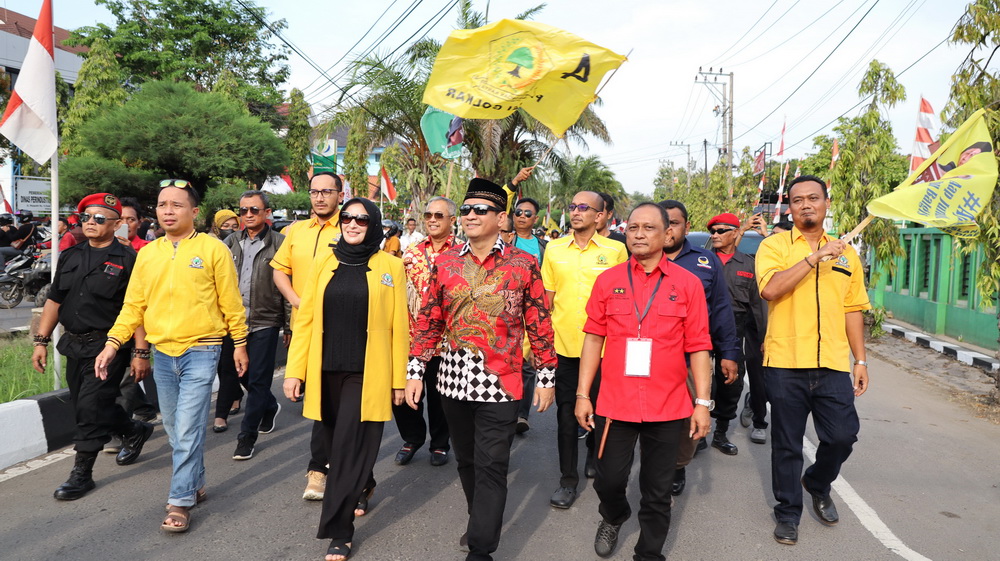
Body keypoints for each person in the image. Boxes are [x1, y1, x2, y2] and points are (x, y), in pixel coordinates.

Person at [405, 178, 556, 561]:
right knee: (468, 461)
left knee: (492, 464)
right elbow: (429, 319)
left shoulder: (523, 264)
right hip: (452, 381)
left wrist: (546, 376)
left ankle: (481, 549)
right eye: (466, 209)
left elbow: (539, 321)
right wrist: (415, 369)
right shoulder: (445, 263)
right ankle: (481, 520)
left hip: (502, 384)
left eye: (480, 210)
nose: (470, 215)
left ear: (501, 218)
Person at [96, 179, 249, 533]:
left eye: (176, 205)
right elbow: (134, 305)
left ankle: (180, 500)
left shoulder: (213, 250)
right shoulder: (148, 254)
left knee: (189, 427)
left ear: (194, 211)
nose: (168, 211)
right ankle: (195, 482)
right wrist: (113, 343)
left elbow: (231, 302)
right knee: (174, 428)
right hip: (163, 353)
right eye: (163, 204)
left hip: (202, 349)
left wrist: (240, 343)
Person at [575, 202, 713, 561]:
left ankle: (648, 554)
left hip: (668, 405)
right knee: (607, 480)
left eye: (649, 227)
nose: (638, 234)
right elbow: (593, 338)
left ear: (667, 234)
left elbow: (699, 346)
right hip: (615, 403)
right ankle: (614, 515)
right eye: (633, 227)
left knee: (657, 491)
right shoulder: (608, 281)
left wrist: (702, 403)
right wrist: (583, 394)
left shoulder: (688, 284)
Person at [283, 197, 407, 561]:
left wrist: (398, 379)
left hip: (366, 372)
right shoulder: (325, 262)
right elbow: (306, 319)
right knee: (338, 444)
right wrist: (294, 371)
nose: (352, 224)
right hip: (324, 370)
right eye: (347, 218)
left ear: (374, 225)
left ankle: (340, 530)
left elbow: (399, 326)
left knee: (346, 449)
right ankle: (364, 482)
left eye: (362, 220)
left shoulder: (390, 266)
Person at [755, 175, 871, 545]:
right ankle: (788, 514)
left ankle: (818, 482)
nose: (806, 205)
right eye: (798, 200)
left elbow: (853, 308)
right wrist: (814, 257)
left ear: (826, 203)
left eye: (813, 198)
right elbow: (770, 289)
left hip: (832, 363)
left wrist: (860, 360)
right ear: (790, 207)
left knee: (842, 436)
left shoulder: (847, 253)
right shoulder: (773, 246)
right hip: (785, 362)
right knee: (787, 444)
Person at [32, 193, 155, 501]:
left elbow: (137, 308)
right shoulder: (70, 255)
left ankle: (82, 474)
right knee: (87, 404)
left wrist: (141, 352)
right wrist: (41, 341)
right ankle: (134, 430)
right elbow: (55, 299)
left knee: (89, 408)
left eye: (99, 218)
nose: (90, 223)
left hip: (109, 346)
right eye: (85, 217)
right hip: (74, 343)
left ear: (116, 224)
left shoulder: (127, 259)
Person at [542, 191, 627, 509]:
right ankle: (567, 480)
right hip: (564, 348)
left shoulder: (616, 250)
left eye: (583, 207)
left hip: (605, 350)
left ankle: (594, 454)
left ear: (599, 215)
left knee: (601, 413)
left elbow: (624, 300)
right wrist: (535, 343)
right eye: (572, 206)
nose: (576, 212)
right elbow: (546, 300)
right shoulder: (553, 249)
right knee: (566, 415)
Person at [657, 200, 740, 496]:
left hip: (692, 356)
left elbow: (721, 308)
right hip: (649, 357)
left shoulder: (705, 261)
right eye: (663, 223)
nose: (668, 229)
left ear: (686, 226)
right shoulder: (639, 258)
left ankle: (677, 466)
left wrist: (729, 353)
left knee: (687, 417)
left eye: (674, 223)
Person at [271, 171, 343, 501]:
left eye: (327, 191)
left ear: (340, 195)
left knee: (340, 400)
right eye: (315, 192)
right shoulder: (295, 231)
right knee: (317, 401)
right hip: (305, 328)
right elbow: (279, 270)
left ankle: (345, 467)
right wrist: (296, 300)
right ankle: (319, 469)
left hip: (342, 328)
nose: (320, 197)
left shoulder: (350, 227)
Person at [225, 190, 289, 460]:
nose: (248, 215)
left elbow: (288, 286)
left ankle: (246, 437)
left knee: (259, 379)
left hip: (265, 320)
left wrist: (289, 325)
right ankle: (270, 406)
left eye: (254, 209)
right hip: (233, 322)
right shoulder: (229, 242)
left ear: (266, 213)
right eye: (243, 210)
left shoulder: (280, 243)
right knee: (241, 375)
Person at [394, 196, 457, 467]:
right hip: (412, 338)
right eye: (428, 215)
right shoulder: (411, 253)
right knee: (404, 396)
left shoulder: (463, 253)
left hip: (447, 341)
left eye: (438, 215)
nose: (432, 220)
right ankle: (412, 438)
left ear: (452, 220)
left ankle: (440, 444)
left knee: (441, 396)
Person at [707, 213, 769, 444]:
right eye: (713, 231)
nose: (715, 235)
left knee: (731, 381)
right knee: (701, 382)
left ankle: (721, 433)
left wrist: (763, 337)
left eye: (721, 231)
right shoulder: (702, 260)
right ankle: (698, 433)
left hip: (734, 330)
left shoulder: (749, 265)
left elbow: (758, 306)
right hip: (701, 328)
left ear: (735, 233)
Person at [510, 197, 547, 433]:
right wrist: (514, 182)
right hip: (505, 310)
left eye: (527, 213)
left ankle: (521, 415)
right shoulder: (504, 240)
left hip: (531, 310)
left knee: (527, 366)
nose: (522, 216)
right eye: (518, 212)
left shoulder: (544, 247)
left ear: (535, 219)